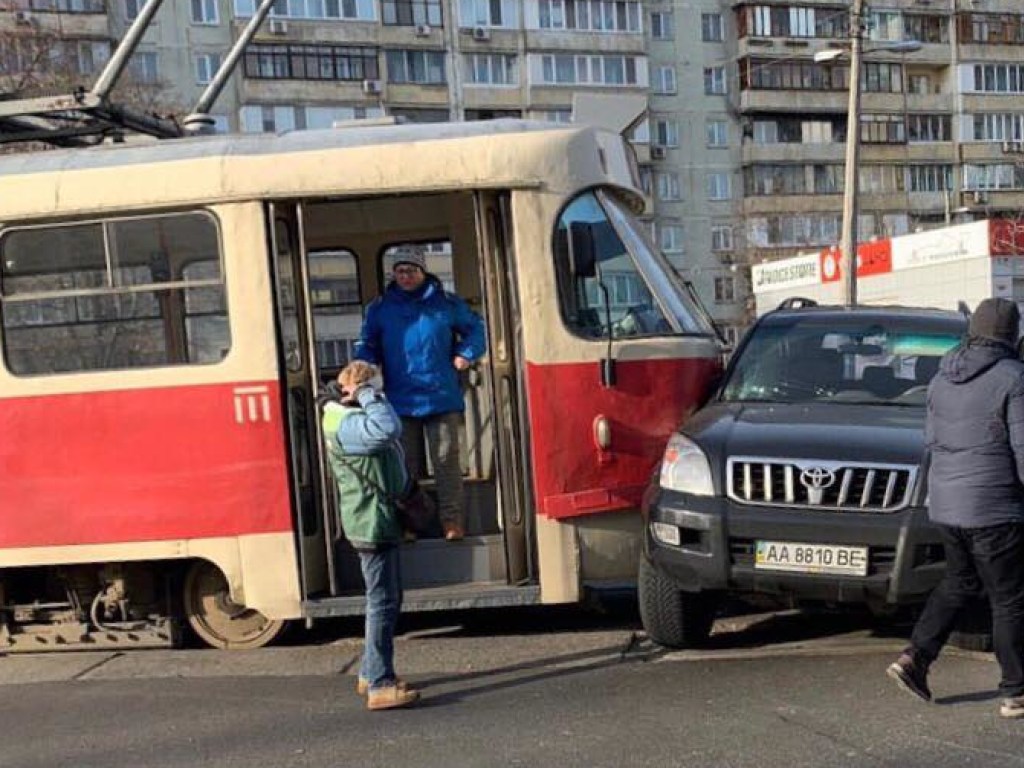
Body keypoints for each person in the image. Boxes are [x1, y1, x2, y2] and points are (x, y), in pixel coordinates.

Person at [887, 297, 1024, 719]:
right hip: (994, 506)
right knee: (1010, 599)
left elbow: (932, 443)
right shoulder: (1014, 377)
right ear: (1011, 334)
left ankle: (914, 659)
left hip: (947, 506)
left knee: (960, 583)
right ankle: (1015, 691)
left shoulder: (942, 377)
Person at [355, 251, 486, 541]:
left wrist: (466, 353)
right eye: (399, 271)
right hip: (401, 400)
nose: (405, 276)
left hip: (441, 396)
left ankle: (452, 522)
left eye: (411, 270)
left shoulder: (446, 304)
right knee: (405, 467)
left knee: (446, 462)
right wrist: (362, 365)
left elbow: (477, 329)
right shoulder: (380, 309)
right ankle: (411, 524)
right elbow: (367, 344)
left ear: (423, 272)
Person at [321, 361, 419, 711]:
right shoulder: (346, 422)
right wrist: (368, 394)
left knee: (386, 599)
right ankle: (379, 684)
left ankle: (370, 671)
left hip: (376, 518)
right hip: (371, 521)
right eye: (375, 388)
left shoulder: (345, 417)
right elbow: (387, 429)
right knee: (381, 602)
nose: (380, 395)